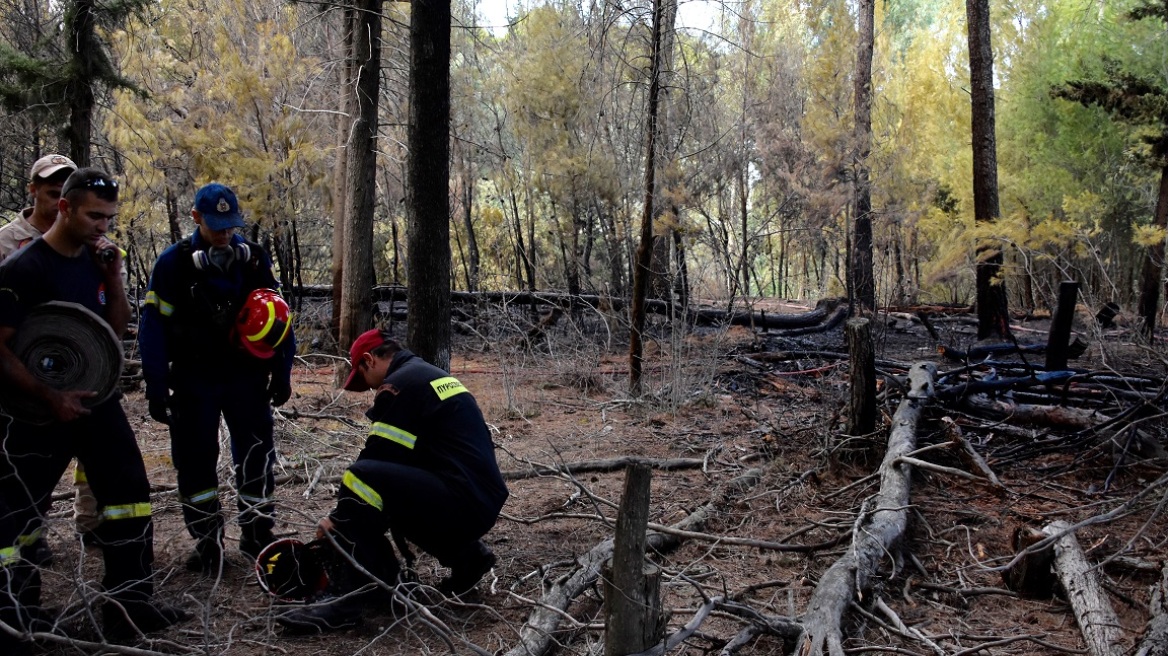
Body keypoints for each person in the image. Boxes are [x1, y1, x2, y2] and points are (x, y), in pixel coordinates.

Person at [0, 168, 188, 650]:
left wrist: (112, 276)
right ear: (63, 208)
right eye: (93, 216)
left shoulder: (96, 260)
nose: (103, 225)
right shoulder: (25, 269)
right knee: (19, 512)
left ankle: (130, 605)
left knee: (129, 495)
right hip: (37, 411)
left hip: (97, 403)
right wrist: (50, 397)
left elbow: (116, 329)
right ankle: (18, 616)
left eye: (109, 217)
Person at [276, 329, 508, 633]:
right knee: (390, 497)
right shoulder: (428, 376)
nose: (372, 389)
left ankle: (346, 599)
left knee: (359, 479)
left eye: (363, 379)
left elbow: (377, 457)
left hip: (459, 499)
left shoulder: (398, 385)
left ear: (369, 360)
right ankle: (466, 557)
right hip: (478, 500)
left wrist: (338, 519)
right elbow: (404, 464)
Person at [139, 182, 296, 573]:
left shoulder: (254, 260)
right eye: (216, 226)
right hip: (195, 379)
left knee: (257, 455)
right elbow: (153, 328)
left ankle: (257, 533)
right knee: (195, 462)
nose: (225, 233)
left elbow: (279, 318)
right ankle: (207, 541)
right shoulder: (172, 264)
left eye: (231, 226)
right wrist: (156, 385)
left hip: (246, 377)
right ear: (196, 218)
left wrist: (282, 370)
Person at [0, 154, 103, 568]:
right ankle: (26, 545)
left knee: (92, 460)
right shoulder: (10, 245)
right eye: (50, 190)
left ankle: (92, 522)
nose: (58, 196)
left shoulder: (90, 245)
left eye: (65, 188)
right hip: (21, 380)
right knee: (23, 473)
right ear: (35, 192)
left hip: (82, 374)